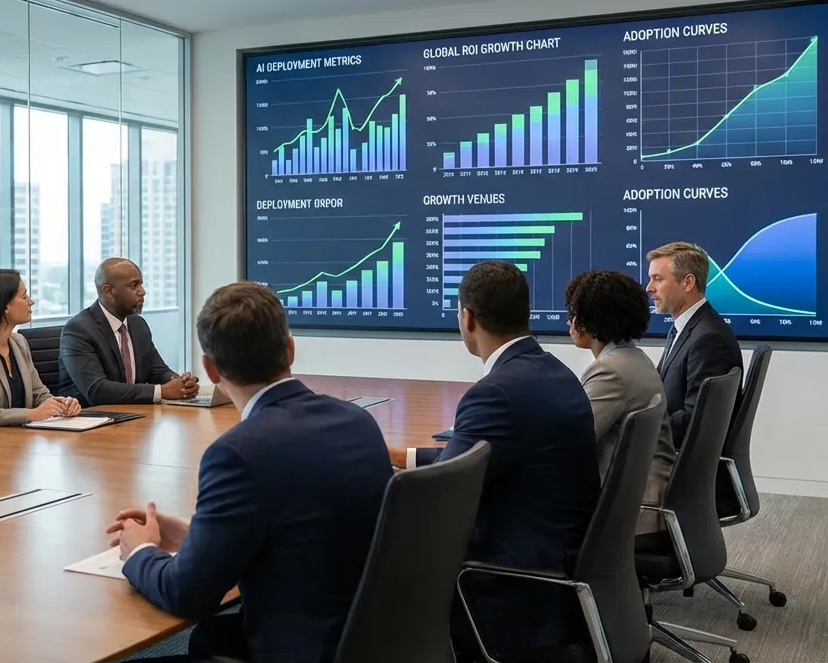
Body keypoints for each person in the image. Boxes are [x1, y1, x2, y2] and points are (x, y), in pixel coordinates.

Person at [107, 282, 393, 662]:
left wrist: (139, 550)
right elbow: (306, 530)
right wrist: (195, 537)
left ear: (210, 368)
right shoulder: (357, 421)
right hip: (368, 639)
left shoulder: (238, 453)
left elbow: (188, 595)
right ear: (290, 348)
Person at [388, 261, 598, 661]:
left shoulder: (495, 393)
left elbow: (440, 499)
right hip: (559, 558)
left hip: (510, 584)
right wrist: (407, 457)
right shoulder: (552, 371)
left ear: (466, 318)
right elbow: (478, 457)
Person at [565, 270, 677, 536]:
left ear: (592, 319)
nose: (570, 321)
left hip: (634, 512)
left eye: (574, 313)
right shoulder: (635, 358)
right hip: (649, 497)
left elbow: (571, 443)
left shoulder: (609, 371)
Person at [0, 269, 81, 430]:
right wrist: (31, 414)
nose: (31, 302)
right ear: (6, 305)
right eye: (24, 296)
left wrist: (61, 405)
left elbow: (39, 394)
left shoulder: (19, 343)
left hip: (15, 442)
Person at [58, 257, 197, 406]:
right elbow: (97, 390)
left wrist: (180, 383)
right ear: (108, 291)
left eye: (141, 284)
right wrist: (162, 391)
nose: (142, 292)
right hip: (89, 419)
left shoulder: (138, 324)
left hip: (133, 415)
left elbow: (157, 371)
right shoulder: (78, 330)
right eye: (133, 286)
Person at [646, 241, 742, 447]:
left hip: (676, 461)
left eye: (658, 279)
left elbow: (695, 420)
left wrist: (638, 430)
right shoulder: (685, 326)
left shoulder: (709, 339)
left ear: (688, 283)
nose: (649, 288)